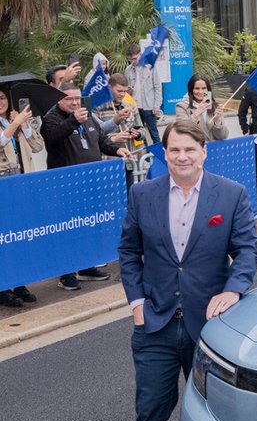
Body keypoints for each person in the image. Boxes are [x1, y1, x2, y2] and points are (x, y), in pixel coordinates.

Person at [117, 120, 257, 421]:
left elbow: (246, 252)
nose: (182, 156)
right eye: (174, 150)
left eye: (190, 149)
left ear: (203, 152)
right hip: (156, 325)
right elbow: (128, 251)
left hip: (209, 328)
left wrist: (233, 290)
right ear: (164, 154)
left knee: (206, 418)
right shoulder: (142, 194)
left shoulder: (230, 195)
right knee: (149, 414)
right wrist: (137, 303)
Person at [41, 83, 131, 290]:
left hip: (89, 183)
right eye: (69, 99)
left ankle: (86, 266)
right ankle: (66, 274)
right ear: (59, 100)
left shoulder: (87, 116)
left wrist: (117, 150)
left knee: (87, 226)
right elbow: (52, 136)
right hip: (65, 185)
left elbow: (101, 141)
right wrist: (73, 120)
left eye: (77, 98)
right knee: (68, 229)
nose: (74, 103)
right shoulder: (51, 119)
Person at [0, 90, 44, 307]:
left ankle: (19, 282)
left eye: (2, 98)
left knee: (20, 236)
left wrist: (23, 124)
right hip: (4, 186)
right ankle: (3, 287)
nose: (0, 102)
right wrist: (14, 124)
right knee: (4, 239)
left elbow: (37, 146)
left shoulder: (15, 121)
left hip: (22, 184)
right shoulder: (10, 124)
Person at [125, 42, 164, 145]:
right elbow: (126, 90)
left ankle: (159, 153)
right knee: (139, 135)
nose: (133, 61)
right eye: (130, 59)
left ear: (140, 54)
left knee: (154, 134)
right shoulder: (128, 70)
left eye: (135, 58)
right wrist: (128, 90)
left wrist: (157, 105)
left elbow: (157, 86)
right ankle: (144, 153)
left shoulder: (150, 67)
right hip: (135, 107)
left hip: (149, 106)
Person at [176, 74, 228, 141]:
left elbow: (222, 137)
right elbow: (182, 132)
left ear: (208, 89)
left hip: (213, 146)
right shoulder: (182, 106)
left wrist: (217, 120)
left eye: (204, 88)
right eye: (197, 88)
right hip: (194, 146)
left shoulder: (215, 106)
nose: (200, 92)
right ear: (191, 89)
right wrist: (196, 114)